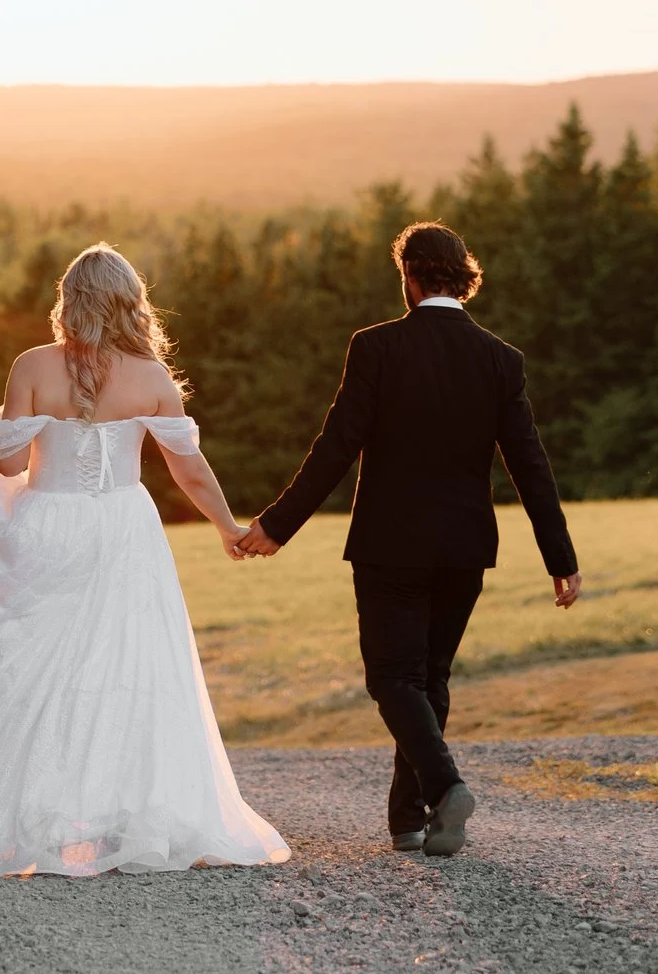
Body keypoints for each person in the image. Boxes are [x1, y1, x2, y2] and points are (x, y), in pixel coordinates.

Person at [0, 243, 291, 879]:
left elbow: (9, 464)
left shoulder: (32, 366)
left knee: (27, 672)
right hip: (125, 530)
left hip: (46, 527)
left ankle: (25, 827)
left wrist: (2, 430)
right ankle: (114, 826)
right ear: (132, 302)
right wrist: (227, 527)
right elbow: (187, 467)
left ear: (67, 301)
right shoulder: (152, 377)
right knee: (127, 665)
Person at [233, 221, 581, 857]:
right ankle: (409, 821)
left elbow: (337, 445)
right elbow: (530, 462)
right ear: (461, 279)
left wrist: (275, 526)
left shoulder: (377, 347)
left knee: (393, 676)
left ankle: (446, 788)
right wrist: (561, 560)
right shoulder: (502, 360)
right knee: (430, 677)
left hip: (390, 544)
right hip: (466, 547)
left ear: (410, 278)